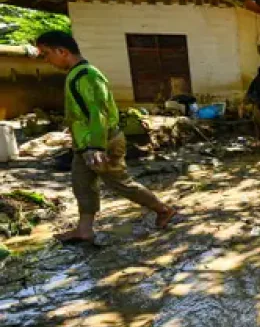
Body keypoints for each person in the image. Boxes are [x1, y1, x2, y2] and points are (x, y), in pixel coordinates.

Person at [35, 31, 176, 243]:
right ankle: (84, 230)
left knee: (119, 183)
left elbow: (97, 112)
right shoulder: (76, 75)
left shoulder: (87, 75)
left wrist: (96, 147)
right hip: (85, 143)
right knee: (81, 184)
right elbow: (82, 112)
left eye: (46, 54)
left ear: (62, 51)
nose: (46, 60)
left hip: (102, 141)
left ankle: (163, 209)